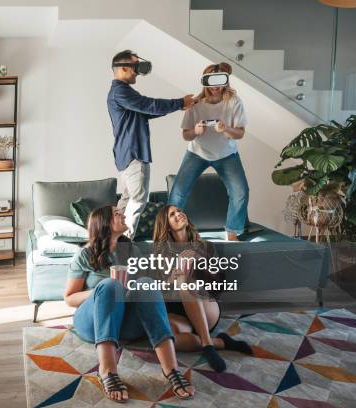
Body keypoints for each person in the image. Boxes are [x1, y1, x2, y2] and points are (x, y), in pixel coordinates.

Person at [65, 206, 195, 403]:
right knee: (110, 285)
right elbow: (69, 297)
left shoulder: (132, 250)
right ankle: (107, 371)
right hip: (93, 324)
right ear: (105, 223)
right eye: (117, 213)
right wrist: (101, 289)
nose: (124, 215)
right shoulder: (84, 254)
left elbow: (150, 287)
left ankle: (171, 369)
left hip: (125, 324)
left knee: (146, 283)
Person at [152, 204, 253, 372]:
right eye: (172, 214)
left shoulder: (205, 246)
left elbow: (219, 285)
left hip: (207, 308)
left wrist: (198, 260)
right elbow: (157, 293)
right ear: (166, 226)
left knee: (187, 283)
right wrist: (171, 279)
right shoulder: (160, 255)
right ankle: (221, 342)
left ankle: (207, 344)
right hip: (180, 315)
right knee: (165, 339)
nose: (179, 214)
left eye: (179, 210)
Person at [108, 49, 195, 239]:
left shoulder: (123, 92)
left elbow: (147, 111)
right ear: (123, 68)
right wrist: (180, 102)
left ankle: (112, 242)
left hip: (126, 155)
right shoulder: (120, 91)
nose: (138, 72)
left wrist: (180, 105)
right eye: (135, 67)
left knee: (128, 199)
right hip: (134, 153)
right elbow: (148, 105)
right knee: (138, 199)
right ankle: (124, 246)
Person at [168, 62, 249, 241]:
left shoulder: (234, 102)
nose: (216, 88)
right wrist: (195, 132)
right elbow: (185, 135)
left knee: (240, 191)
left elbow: (240, 133)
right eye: (211, 84)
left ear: (226, 81)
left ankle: (232, 232)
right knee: (178, 193)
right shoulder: (196, 104)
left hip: (227, 154)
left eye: (220, 83)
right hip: (197, 153)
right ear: (205, 83)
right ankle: (171, 233)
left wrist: (226, 129)